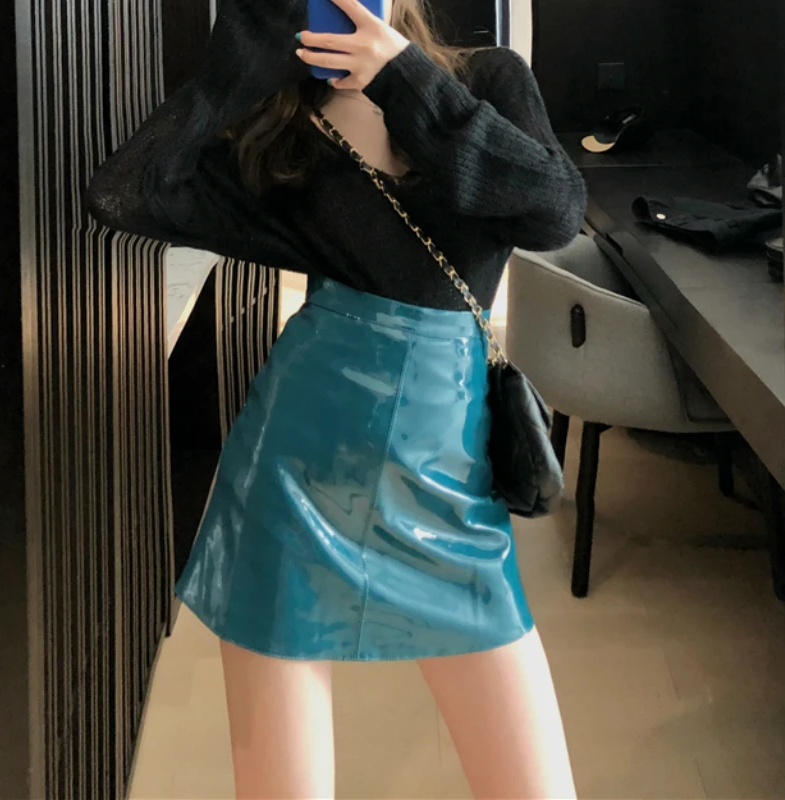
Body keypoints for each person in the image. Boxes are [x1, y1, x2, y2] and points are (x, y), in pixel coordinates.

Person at [87, 0, 586, 796]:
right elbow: (124, 192)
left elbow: (555, 210)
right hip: (294, 473)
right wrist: (244, 47)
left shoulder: (485, 80)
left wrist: (401, 79)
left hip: (447, 482)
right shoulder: (283, 127)